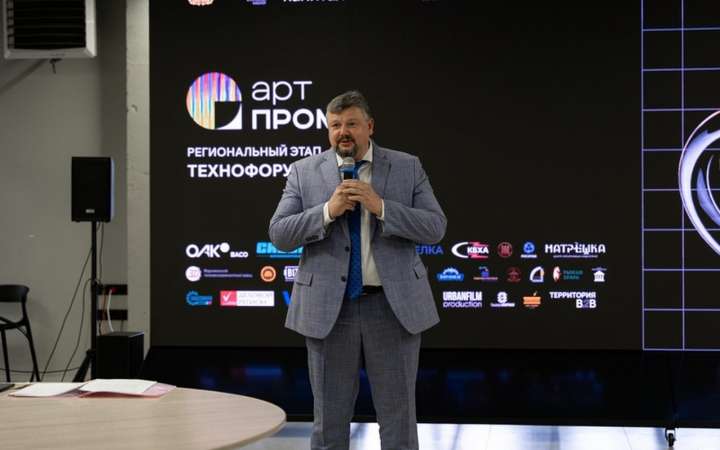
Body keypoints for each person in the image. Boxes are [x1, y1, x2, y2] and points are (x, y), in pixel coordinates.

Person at [269, 90, 446, 450]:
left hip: (392, 310)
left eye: (351, 123)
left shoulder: (407, 166)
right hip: (329, 313)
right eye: (335, 125)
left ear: (370, 126)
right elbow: (280, 234)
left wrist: (381, 207)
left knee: (398, 423)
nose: (343, 132)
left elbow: (435, 227)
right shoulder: (303, 171)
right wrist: (326, 211)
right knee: (329, 425)